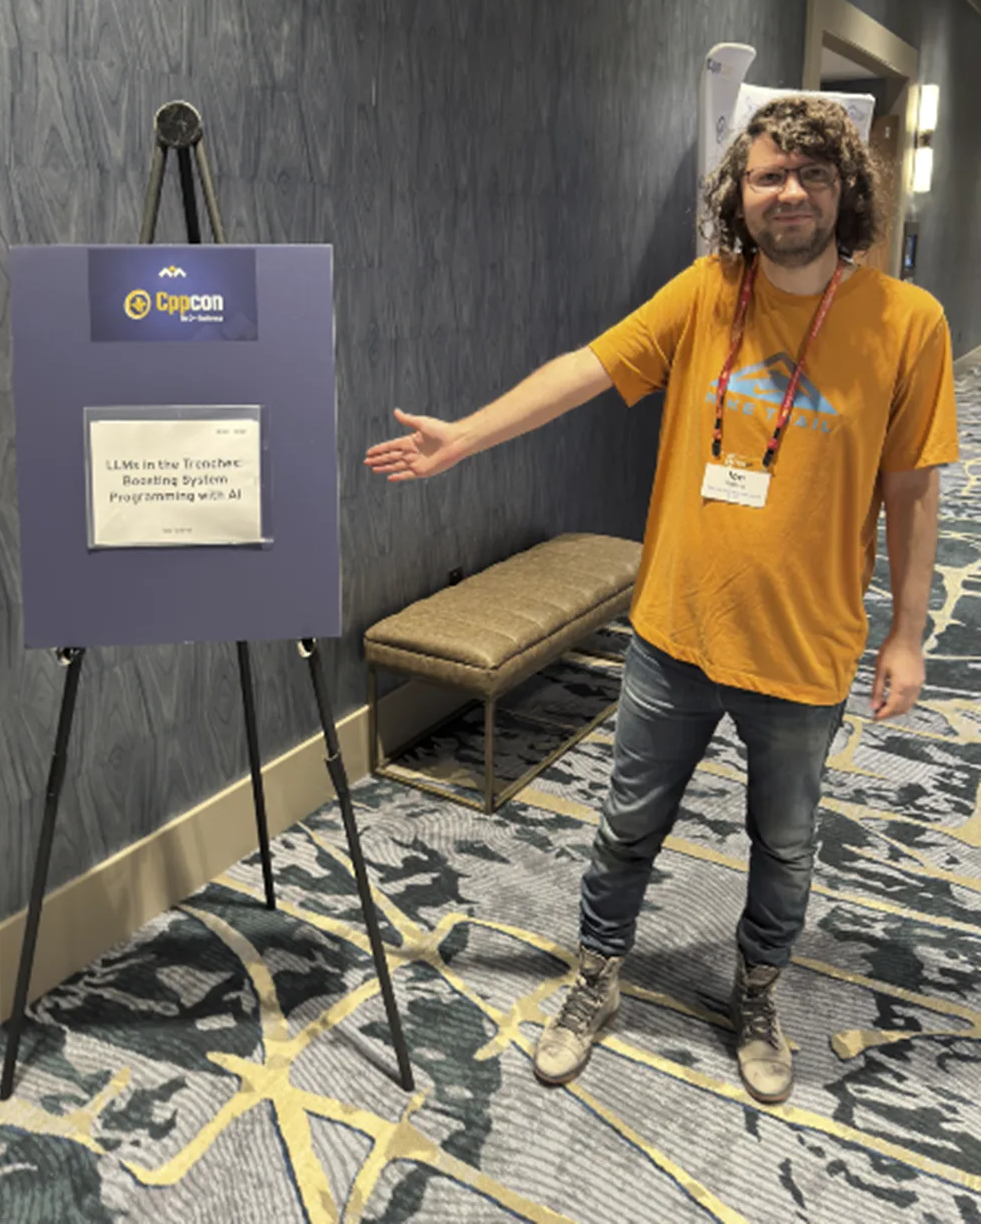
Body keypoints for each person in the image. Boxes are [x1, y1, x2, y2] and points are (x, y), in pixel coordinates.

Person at [364, 96, 959, 1104]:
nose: (789, 193)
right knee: (625, 827)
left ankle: (756, 992)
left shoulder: (907, 324)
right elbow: (583, 370)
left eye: (811, 176)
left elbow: (909, 491)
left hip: (804, 646)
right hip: (673, 630)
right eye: (768, 174)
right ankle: (595, 978)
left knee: (784, 843)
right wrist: (465, 435)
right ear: (739, 190)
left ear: (845, 191)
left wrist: (905, 633)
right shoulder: (705, 293)